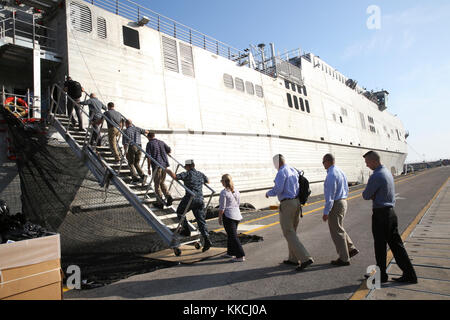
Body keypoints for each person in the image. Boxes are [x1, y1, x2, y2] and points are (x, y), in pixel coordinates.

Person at [362, 151, 418, 284]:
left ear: (374, 161)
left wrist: (372, 195)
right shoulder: (386, 172)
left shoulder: (376, 176)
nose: (367, 165)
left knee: (380, 246)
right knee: (396, 245)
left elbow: (365, 195)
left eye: (367, 162)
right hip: (390, 213)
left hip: (381, 214)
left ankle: (382, 276)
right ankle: (409, 273)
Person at [266, 154, 314, 271]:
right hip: (297, 203)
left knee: (288, 232)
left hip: (287, 204)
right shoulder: (293, 170)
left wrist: (268, 193)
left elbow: (278, 189)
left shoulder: (282, 172)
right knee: (292, 231)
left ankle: (305, 258)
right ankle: (293, 258)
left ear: (277, 162)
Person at [166, 159, 212, 252]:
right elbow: (208, 181)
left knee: (180, 212)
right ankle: (207, 240)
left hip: (190, 198)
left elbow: (175, 177)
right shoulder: (200, 174)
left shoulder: (186, 174)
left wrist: (168, 170)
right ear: (194, 165)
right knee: (200, 220)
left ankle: (186, 230)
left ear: (187, 166)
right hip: (200, 199)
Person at [322, 153, 359, 266]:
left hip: (336, 204)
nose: (323, 164)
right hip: (343, 201)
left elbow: (330, 196)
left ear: (327, 162)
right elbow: (346, 188)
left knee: (336, 231)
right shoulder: (340, 171)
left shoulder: (331, 175)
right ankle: (351, 248)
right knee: (339, 228)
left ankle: (344, 258)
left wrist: (326, 212)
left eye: (323, 162)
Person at [218, 174, 245, 262]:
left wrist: (219, 217)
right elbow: (238, 204)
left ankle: (240, 255)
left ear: (224, 182)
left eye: (221, 181)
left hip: (228, 216)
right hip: (237, 215)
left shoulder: (224, 192)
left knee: (233, 236)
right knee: (231, 235)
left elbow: (222, 207)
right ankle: (230, 252)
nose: (221, 182)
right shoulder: (236, 191)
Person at [145, 132, 173, 208]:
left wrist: (148, 168)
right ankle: (168, 196)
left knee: (157, 184)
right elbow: (169, 150)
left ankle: (159, 202)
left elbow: (148, 157)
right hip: (164, 166)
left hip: (156, 166)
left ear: (148, 137)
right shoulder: (161, 142)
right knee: (162, 182)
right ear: (154, 136)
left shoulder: (149, 144)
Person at [122, 119, 148, 185]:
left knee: (131, 163)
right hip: (139, 146)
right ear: (131, 123)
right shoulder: (137, 128)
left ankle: (135, 178)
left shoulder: (125, 131)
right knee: (136, 163)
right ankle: (142, 176)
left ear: (126, 124)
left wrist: (126, 152)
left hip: (132, 146)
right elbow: (146, 131)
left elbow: (125, 143)